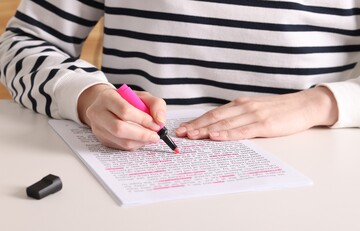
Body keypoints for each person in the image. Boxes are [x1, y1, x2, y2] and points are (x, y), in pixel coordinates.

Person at [1, 1, 359, 151]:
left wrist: (322, 103)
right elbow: (21, 43)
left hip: (315, 186)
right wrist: (85, 95)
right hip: (137, 167)